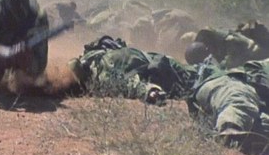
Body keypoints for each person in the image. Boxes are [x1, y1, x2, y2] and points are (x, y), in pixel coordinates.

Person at [68, 35, 197, 104]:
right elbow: (130, 82)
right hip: (159, 64)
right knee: (196, 77)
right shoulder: (98, 59)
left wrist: (149, 91)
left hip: (158, 66)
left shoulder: (102, 69)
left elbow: (129, 83)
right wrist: (149, 91)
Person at [187, 56, 269, 153]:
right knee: (241, 101)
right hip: (232, 84)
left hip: (253, 108)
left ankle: (240, 139)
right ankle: (230, 130)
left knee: (263, 126)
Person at [182, 20, 269, 68]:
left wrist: (217, 69)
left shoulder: (230, 41)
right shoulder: (221, 44)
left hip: (261, 57)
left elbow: (230, 63)